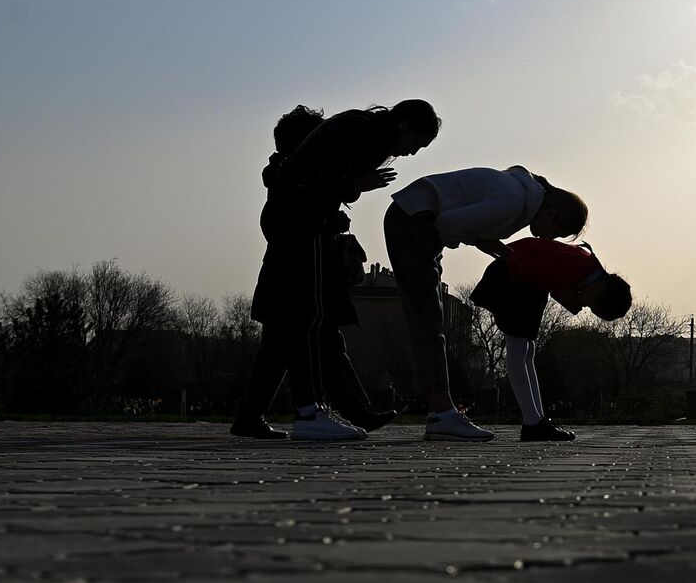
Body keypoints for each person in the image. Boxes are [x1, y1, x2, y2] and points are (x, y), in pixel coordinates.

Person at [258, 99, 441, 441]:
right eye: (417, 143)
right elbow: (324, 182)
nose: (413, 153)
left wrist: (354, 185)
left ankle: (302, 412)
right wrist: (353, 191)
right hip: (303, 222)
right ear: (403, 126)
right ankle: (309, 413)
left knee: (301, 323)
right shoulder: (362, 134)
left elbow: (330, 179)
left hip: (299, 219)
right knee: (307, 319)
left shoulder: (362, 129)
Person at [384, 166, 588, 441]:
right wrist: (480, 239)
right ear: (552, 214)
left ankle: (441, 414)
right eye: (555, 232)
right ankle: (441, 416)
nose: (547, 240)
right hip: (413, 218)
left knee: (429, 317)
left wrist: (481, 239)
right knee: (427, 319)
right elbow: (446, 224)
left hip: (417, 217)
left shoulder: (522, 197)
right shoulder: (513, 203)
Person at [231, 106, 394, 441]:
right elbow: (300, 215)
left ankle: (256, 415)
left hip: (299, 270)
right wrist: (345, 199)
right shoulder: (289, 176)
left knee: (288, 347)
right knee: (301, 341)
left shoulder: (295, 173)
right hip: (296, 270)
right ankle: (317, 410)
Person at [476, 237, 631, 441]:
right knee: (519, 350)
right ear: (599, 289)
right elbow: (524, 267)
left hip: (525, 283)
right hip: (511, 278)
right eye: (591, 304)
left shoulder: (586, 267)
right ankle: (532, 423)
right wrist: (560, 290)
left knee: (527, 351)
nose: (583, 306)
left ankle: (536, 419)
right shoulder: (576, 267)